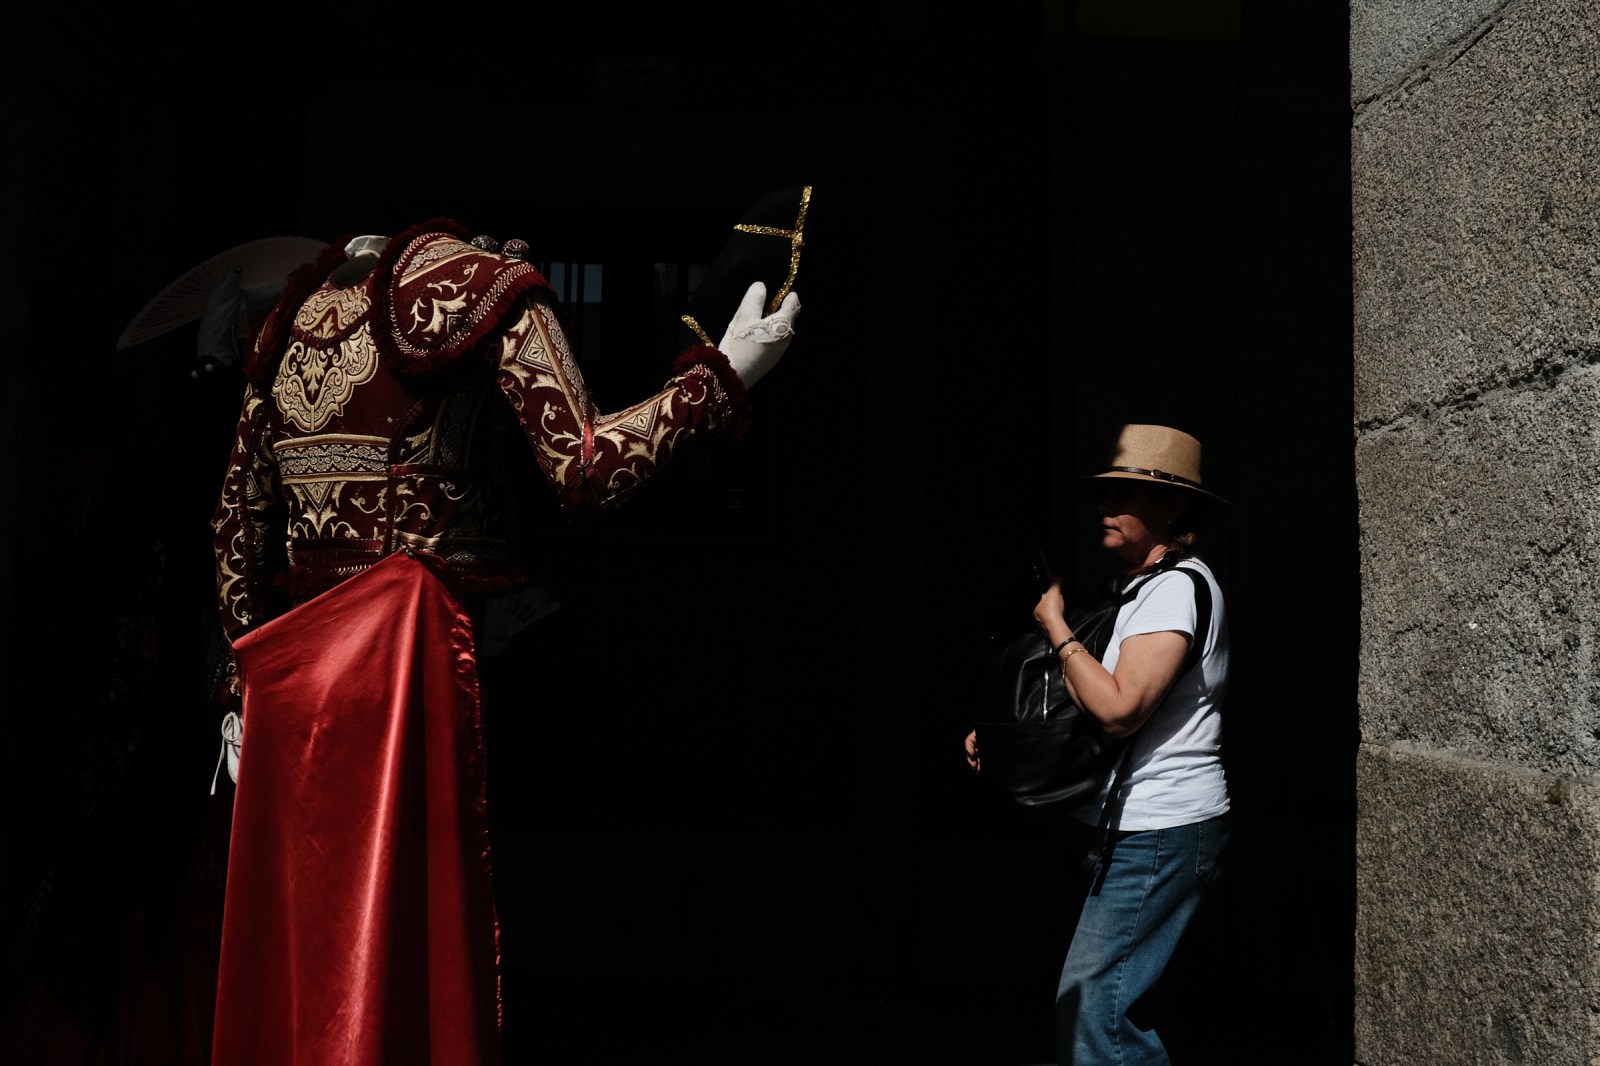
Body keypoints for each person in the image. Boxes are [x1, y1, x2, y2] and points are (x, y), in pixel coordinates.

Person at [207, 214, 801, 1066]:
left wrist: (241, 684)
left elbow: (235, 527)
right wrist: (721, 381)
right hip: (408, 659)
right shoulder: (489, 291)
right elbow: (585, 467)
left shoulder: (287, 325)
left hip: (295, 684)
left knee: (316, 942)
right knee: (413, 934)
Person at [964, 423, 1230, 1065]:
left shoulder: (1174, 591)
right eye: (1104, 493)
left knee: (1097, 1015)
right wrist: (1012, 739)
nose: (1105, 507)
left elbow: (1116, 711)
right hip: (1126, 829)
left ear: (1172, 507)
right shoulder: (1138, 590)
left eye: (1128, 495)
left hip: (1160, 829)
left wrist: (1055, 624)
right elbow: (1089, 698)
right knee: (1112, 1011)